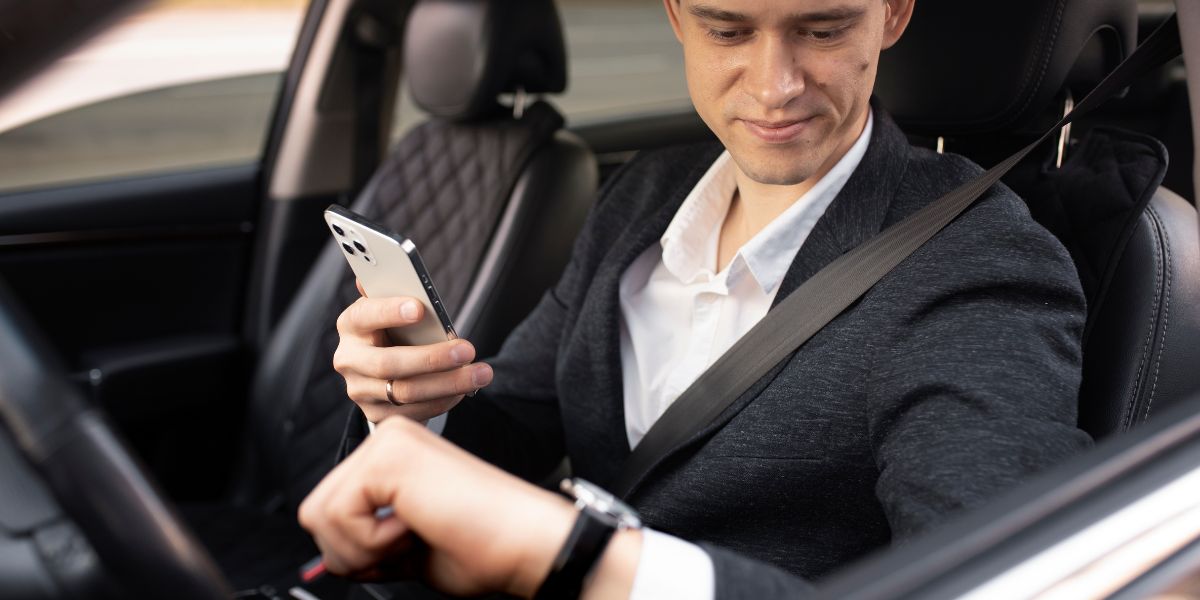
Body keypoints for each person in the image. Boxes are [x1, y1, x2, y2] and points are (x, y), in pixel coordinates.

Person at [323, 0, 1092, 594]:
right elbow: (519, 415)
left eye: (821, 30)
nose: (773, 86)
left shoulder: (980, 266)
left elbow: (997, 580)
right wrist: (419, 410)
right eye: (727, 31)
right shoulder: (641, 197)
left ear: (893, 13)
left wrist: (574, 558)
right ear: (675, 17)